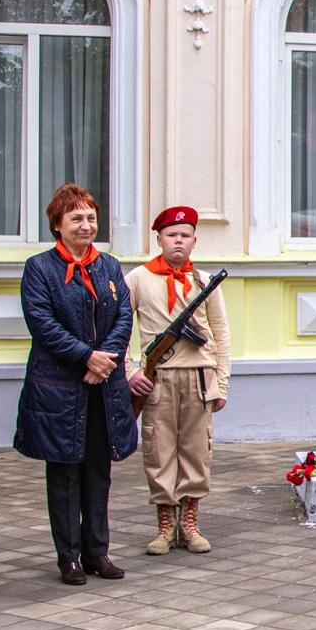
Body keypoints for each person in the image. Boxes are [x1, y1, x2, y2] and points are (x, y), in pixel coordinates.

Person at [16, 184, 137, 585]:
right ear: (57, 224)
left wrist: (105, 360)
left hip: (103, 385)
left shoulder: (108, 265)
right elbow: (43, 324)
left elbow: (123, 317)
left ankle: (97, 552)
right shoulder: (40, 268)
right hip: (60, 387)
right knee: (65, 473)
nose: (86, 226)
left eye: (90, 218)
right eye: (76, 219)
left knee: (98, 471)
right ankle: (67, 556)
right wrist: (86, 357)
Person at [127, 206, 230, 555]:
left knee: (196, 451)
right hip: (158, 380)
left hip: (200, 377)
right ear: (159, 239)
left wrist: (222, 383)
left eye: (185, 235)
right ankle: (165, 525)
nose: (178, 241)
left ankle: (190, 522)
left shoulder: (204, 282)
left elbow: (221, 333)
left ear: (194, 241)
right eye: (172, 235)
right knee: (160, 450)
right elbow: (122, 331)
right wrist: (131, 371)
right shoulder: (138, 278)